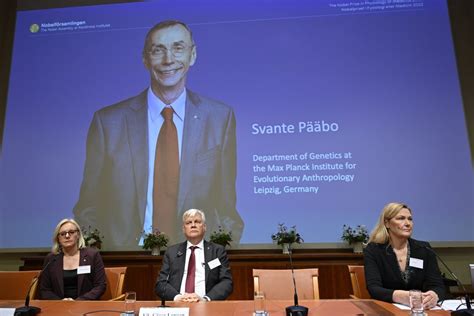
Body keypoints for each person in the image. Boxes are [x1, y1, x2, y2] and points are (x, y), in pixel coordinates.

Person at [73, 20, 243, 247]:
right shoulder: (108, 123)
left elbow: (226, 206)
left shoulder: (220, 118)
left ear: (192, 55)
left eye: (178, 48)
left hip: (195, 261)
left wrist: (216, 255)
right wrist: (101, 256)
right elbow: (89, 205)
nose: (168, 59)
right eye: (158, 50)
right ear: (145, 59)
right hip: (127, 259)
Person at [364, 202, 445, 309]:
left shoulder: (424, 249)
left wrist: (434, 295)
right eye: (401, 218)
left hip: (420, 310)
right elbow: (374, 288)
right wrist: (404, 297)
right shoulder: (374, 250)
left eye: (410, 219)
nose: (407, 223)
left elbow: (438, 285)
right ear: (387, 223)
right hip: (387, 309)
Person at [155, 209, 233, 302]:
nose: (193, 225)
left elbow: (226, 282)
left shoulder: (217, 251)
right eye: (188, 223)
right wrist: (178, 298)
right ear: (184, 229)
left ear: (204, 227)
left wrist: (205, 299)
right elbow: (161, 283)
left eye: (197, 222)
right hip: (178, 305)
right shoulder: (172, 252)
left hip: (206, 305)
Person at [39, 218, 106, 300]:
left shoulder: (92, 256)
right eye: (63, 234)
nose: (67, 236)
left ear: (78, 235)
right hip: (58, 308)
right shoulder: (51, 259)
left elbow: (100, 285)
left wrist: (78, 302)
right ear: (58, 238)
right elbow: (45, 290)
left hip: (86, 306)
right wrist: (60, 303)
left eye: (71, 232)